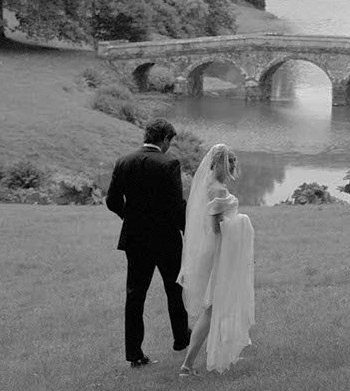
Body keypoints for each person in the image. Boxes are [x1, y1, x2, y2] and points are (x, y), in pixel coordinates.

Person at [105, 118, 191, 368]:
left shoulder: (124, 161)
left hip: (135, 238)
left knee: (135, 295)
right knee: (174, 289)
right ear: (164, 139)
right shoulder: (169, 163)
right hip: (166, 238)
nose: (169, 146)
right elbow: (176, 205)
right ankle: (180, 339)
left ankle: (134, 354)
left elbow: (112, 200)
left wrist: (129, 218)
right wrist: (188, 231)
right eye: (169, 141)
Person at [177, 143, 255, 375]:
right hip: (221, 253)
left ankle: (221, 352)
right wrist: (242, 221)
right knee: (212, 308)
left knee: (218, 305)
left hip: (218, 251)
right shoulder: (218, 190)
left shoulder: (209, 185)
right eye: (231, 163)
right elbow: (216, 228)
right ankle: (187, 365)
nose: (233, 167)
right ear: (222, 162)